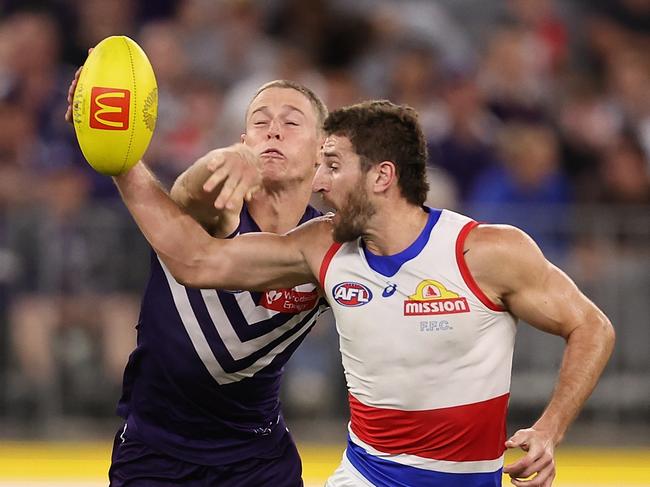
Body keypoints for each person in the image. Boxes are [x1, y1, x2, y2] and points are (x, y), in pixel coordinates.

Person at [110, 100, 614, 487]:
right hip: (364, 476)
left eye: (332, 165)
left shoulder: (484, 251)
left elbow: (591, 326)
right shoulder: (323, 247)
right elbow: (197, 258)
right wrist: (121, 161)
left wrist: (550, 428)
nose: (319, 181)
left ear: (381, 176)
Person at [66, 77, 330, 486]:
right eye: (260, 123)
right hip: (156, 453)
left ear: (321, 150)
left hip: (258, 459)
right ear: (243, 139)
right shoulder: (222, 208)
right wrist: (227, 158)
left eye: (292, 123)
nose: (274, 129)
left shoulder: (329, 245)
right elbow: (189, 192)